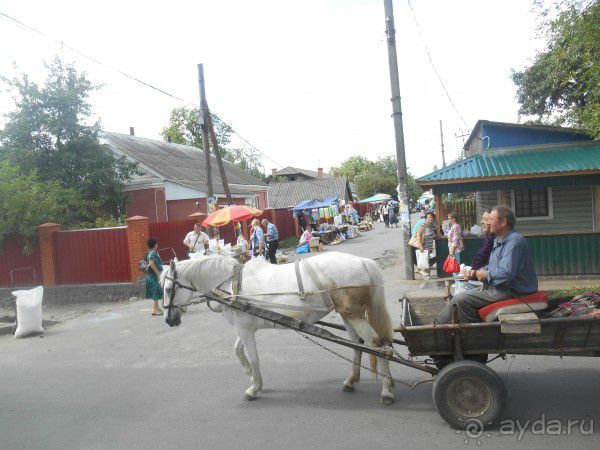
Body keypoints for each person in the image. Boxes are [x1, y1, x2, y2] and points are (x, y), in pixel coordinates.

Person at [435, 205, 538, 324]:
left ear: (503, 222)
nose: (488, 222)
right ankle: (449, 327)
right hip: (500, 288)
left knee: (460, 299)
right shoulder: (498, 240)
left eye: (491, 219)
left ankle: (439, 328)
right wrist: (477, 272)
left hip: (513, 292)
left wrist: (486, 274)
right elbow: (493, 265)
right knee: (462, 296)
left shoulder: (514, 241)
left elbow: (507, 273)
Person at [415, 212, 437, 279]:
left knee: (428, 262)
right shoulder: (423, 226)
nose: (431, 219)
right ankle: (420, 271)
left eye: (432, 217)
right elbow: (418, 236)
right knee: (427, 262)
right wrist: (421, 246)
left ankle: (426, 275)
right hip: (424, 247)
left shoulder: (431, 226)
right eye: (429, 217)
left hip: (430, 248)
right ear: (426, 218)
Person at [145, 238, 163, 316]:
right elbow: (151, 263)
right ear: (155, 245)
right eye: (157, 243)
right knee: (156, 290)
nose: (157, 244)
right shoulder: (152, 253)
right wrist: (158, 273)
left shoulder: (152, 252)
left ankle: (157, 308)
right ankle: (155, 310)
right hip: (153, 275)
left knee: (156, 290)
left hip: (152, 275)